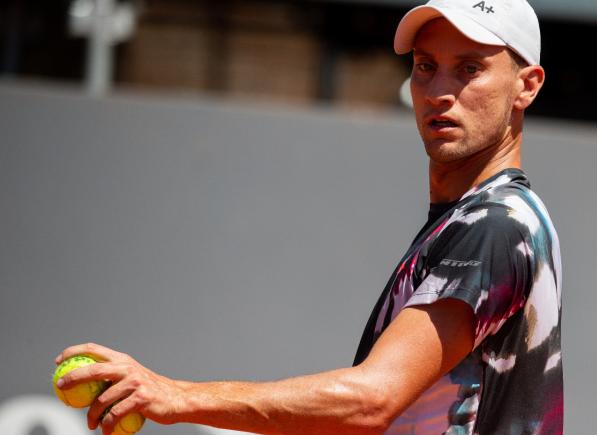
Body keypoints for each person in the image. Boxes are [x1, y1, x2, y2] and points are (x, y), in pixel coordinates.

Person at [54, 0, 563, 433]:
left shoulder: (494, 224)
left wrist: (175, 396)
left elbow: (371, 400)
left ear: (526, 86)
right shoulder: (478, 218)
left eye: (470, 68)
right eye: (426, 66)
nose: (439, 92)